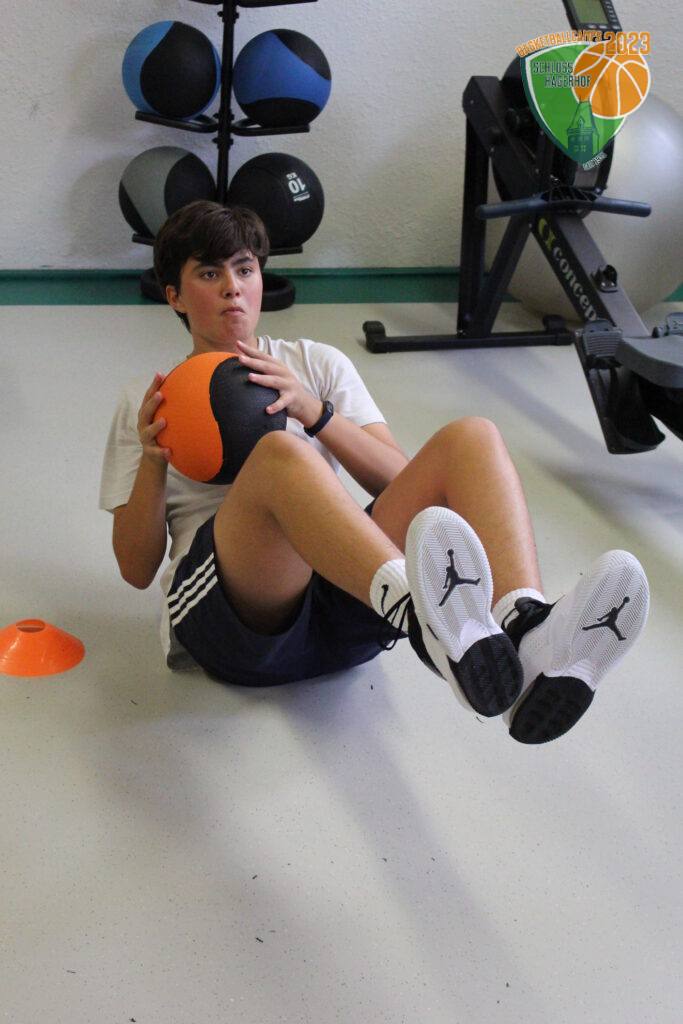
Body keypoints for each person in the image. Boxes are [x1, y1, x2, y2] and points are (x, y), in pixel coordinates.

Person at [99, 200, 650, 745]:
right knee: (280, 455)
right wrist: (153, 460)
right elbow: (135, 567)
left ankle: (526, 632)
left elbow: (398, 479)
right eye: (209, 274)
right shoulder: (149, 402)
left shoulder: (316, 363)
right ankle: (426, 619)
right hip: (233, 626)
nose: (232, 288)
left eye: (245, 270)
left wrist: (315, 413)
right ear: (174, 295)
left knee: (472, 437)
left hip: (345, 599)